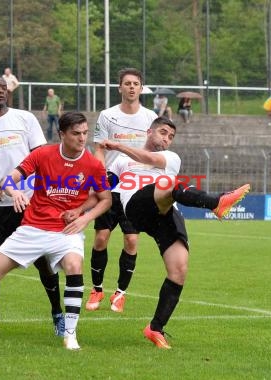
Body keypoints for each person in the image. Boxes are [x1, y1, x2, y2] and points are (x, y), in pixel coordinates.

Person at [0, 111, 112, 351]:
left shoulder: (93, 164)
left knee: (74, 267)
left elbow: (105, 199)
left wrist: (84, 217)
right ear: (62, 134)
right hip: (33, 228)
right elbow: (10, 179)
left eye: (85, 133)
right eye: (76, 133)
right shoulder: (42, 154)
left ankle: (70, 333)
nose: (82, 138)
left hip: (66, 231)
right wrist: (14, 192)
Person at [99, 116, 250, 349]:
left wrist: (118, 145)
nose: (166, 138)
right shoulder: (121, 161)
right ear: (149, 132)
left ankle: (155, 328)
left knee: (179, 268)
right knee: (167, 185)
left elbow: (148, 158)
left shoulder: (171, 157)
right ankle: (216, 202)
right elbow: (103, 184)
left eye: (171, 136)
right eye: (162, 132)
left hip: (165, 210)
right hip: (137, 206)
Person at [0, 74, 64, 338]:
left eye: (3, 88)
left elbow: (42, 157)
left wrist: (41, 194)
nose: (1, 91)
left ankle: (58, 315)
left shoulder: (25, 119)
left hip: (30, 204)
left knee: (43, 262)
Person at [87, 67, 158, 313]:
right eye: (127, 83)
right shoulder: (107, 115)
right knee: (101, 238)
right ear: (119, 88)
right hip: (110, 185)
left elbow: (156, 151)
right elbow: (99, 149)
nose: (131, 87)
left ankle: (120, 293)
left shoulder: (150, 117)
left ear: (140, 88)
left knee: (131, 240)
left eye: (135, 83)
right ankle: (96, 289)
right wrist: (98, 176)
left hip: (135, 187)